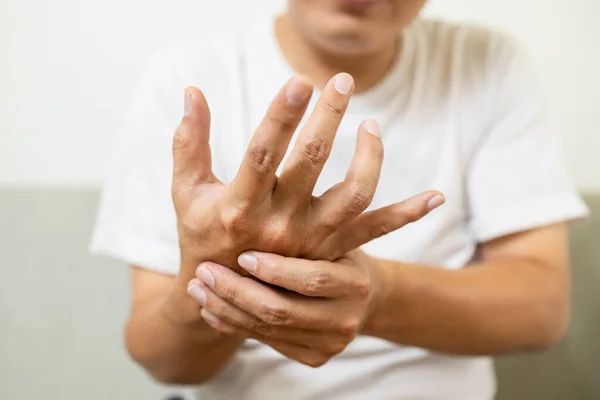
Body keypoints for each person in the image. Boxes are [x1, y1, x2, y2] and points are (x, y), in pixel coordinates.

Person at [91, 0, 589, 399]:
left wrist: (380, 293)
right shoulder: (192, 72)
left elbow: (540, 310)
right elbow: (164, 360)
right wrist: (218, 278)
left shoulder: (486, 62)